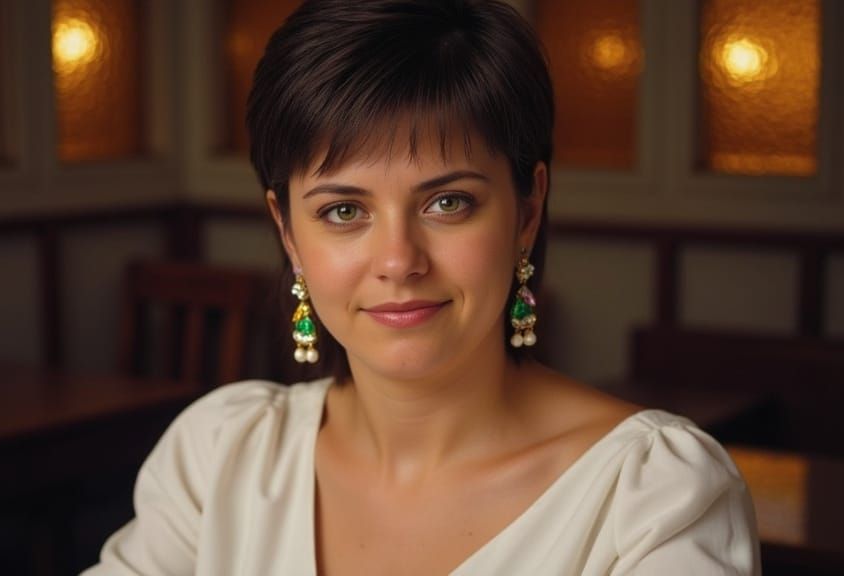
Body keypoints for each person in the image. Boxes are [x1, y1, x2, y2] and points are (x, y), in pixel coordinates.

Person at [85, 0, 760, 574]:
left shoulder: (653, 496)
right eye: (343, 212)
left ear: (527, 211)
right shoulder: (219, 456)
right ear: (288, 232)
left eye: (448, 204)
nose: (399, 260)